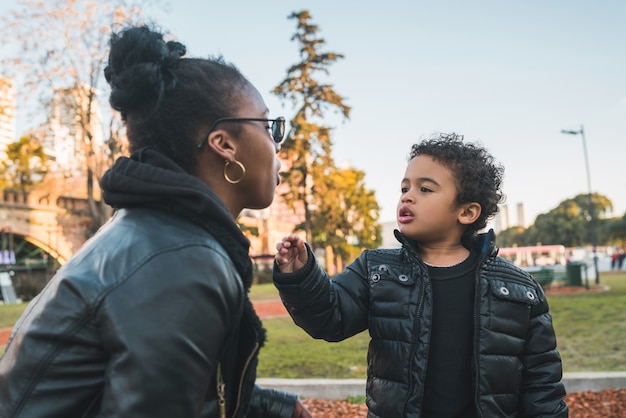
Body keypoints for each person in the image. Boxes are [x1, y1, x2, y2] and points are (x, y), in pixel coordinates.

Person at [0, 25, 311, 418]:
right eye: (270, 126)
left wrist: (276, 410)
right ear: (225, 145)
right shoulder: (182, 261)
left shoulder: (153, 234)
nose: (277, 144)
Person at [274, 133, 568, 417]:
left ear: (467, 212)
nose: (408, 197)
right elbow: (329, 318)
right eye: (405, 188)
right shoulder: (377, 270)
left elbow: (542, 387)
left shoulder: (519, 289)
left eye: (424, 189)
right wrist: (302, 276)